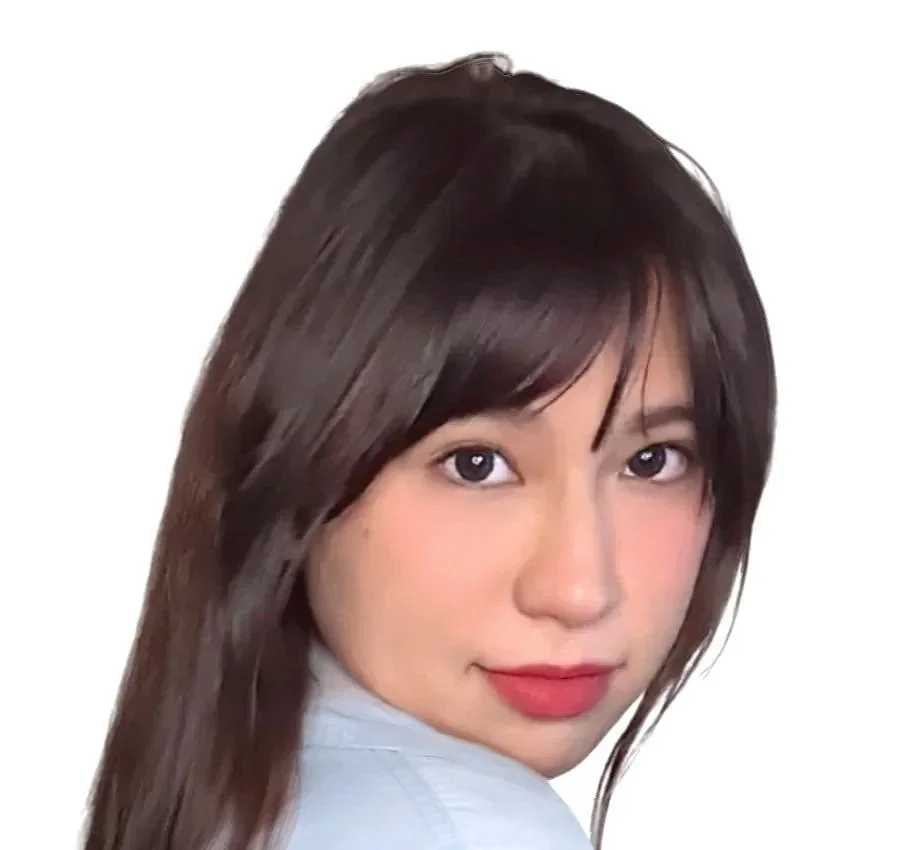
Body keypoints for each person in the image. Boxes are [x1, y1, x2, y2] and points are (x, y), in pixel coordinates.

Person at [82, 53, 776, 850]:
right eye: (476, 463)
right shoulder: (461, 829)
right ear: (297, 464)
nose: (578, 588)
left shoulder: (241, 803)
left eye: (650, 462)